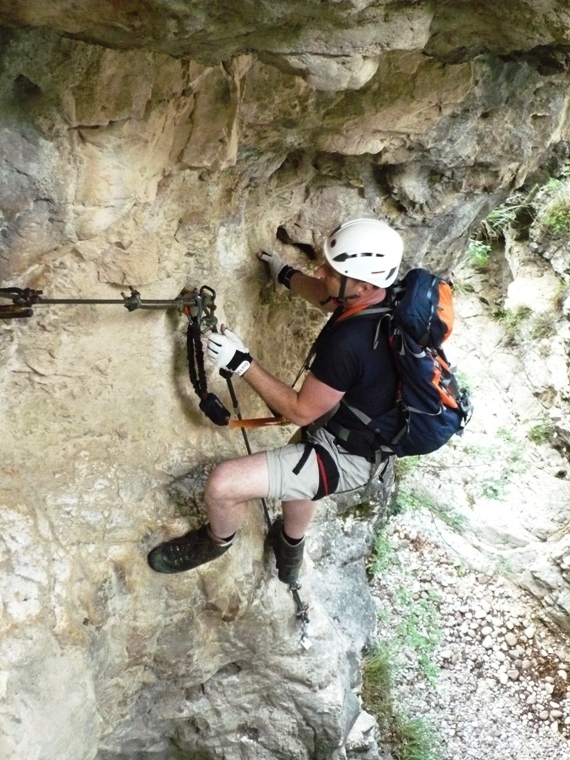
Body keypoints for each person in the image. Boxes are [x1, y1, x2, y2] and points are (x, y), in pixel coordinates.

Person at [147, 218, 404, 585]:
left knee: (222, 484)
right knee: (304, 481)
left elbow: (299, 411)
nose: (321, 270)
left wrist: (242, 363)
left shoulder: (351, 344)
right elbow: (326, 296)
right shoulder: (385, 298)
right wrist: (283, 273)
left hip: (349, 454)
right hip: (357, 427)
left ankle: (217, 541)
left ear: (361, 285)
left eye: (332, 270)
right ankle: (290, 543)